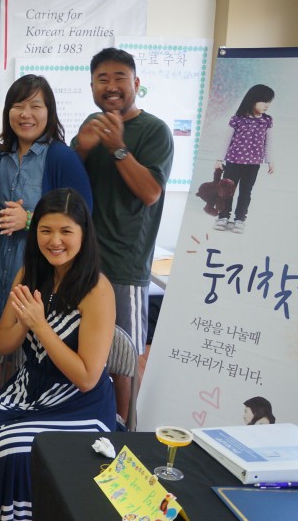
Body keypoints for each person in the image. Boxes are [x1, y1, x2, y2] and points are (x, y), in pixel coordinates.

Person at [0, 188, 117, 521]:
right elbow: (3, 344)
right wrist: (25, 324)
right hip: (29, 388)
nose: (55, 240)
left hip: (79, 404)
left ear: (84, 234)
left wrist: (40, 326)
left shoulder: (96, 289)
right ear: (35, 230)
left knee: (9, 449)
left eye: (66, 231)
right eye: (46, 230)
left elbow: (86, 378)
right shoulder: (29, 274)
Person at [71, 48, 173, 418]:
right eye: (102, 79)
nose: (111, 86)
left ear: (136, 84)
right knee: (81, 348)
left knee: (123, 359)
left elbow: (150, 193)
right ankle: (88, 424)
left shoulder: (155, 130)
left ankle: (125, 433)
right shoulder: (90, 124)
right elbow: (69, 185)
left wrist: (117, 148)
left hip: (125, 265)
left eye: (119, 78)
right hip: (80, 261)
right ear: (93, 86)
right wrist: (81, 149)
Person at [0, 74, 92, 319]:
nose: (26, 114)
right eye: (18, 106)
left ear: (49, 112)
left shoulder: (61, 157)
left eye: (35, 106)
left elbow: (83, 217)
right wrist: (3, 218)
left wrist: (28, 220)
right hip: (0, 260)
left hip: (45, 262)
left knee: (32, 333)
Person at [214, 84, 275, 233]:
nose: (267, 105)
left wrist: (270, 161)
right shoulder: (237, 119)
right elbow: (226, 140)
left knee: (246, 192)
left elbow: (269, 142)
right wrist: (219, 159)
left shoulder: (266, 121)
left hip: (253, 164)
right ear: (252, 100)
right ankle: (223, 217)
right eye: (264, 101)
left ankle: (240, 219)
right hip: (234, 162)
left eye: (269, 101)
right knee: (227, 191)